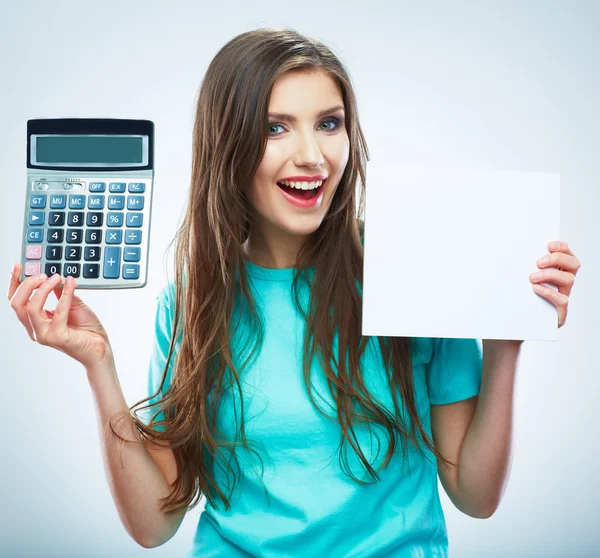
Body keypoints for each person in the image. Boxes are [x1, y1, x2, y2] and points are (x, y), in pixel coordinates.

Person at [7, 27, 580, 558]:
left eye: (329, 123)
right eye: (276, 127)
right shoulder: (192, 301)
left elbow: (475, 496)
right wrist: (99, 366)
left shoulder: (416, 267)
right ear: (228, 146)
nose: (312, 155)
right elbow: (154, 524)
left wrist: (507, 340)